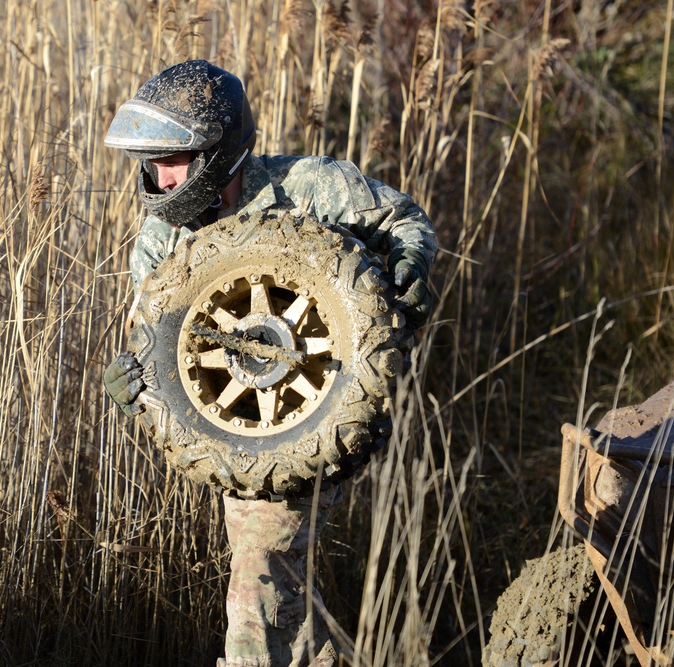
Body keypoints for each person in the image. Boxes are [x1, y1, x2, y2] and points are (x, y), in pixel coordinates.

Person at [103, 59, 436, 667]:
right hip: (245, 432)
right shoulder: (159, 241)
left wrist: (409, 276)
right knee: (280, 589)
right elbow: (160, 342)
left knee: (257, 581)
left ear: (217, 155)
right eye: (152, 165)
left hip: (331, 400)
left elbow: (405, 221)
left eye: (172, 161)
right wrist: (136, 382)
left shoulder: (310, 188)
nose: (159, 179)